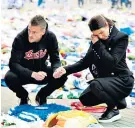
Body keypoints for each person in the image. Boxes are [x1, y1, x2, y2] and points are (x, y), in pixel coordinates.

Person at [53, 15, 134, 123]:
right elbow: (85, 62)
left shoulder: (120, 37)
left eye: (101, 32)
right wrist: (66, 70)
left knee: (95, 85)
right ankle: (119, 100)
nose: (100, 36)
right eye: (96, 34)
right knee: (85, 99)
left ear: (107, 25)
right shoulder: (97, 40)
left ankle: (114, 109)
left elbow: (111, 62)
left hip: (122, 80)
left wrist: (97, 44)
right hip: (107, 80)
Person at [5, 15, 67, 105]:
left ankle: (42, 95)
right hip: (24, 73)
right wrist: (32, 74)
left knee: (62, 75)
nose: (30, 35)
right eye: (29, 30)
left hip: (42, 71)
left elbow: (55, 59)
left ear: (43, 31)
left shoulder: (50, 37)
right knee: (9, 77)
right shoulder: (20, 38)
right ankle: (23, 96)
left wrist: (56, 70)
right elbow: (13, 64)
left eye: (34, 32)